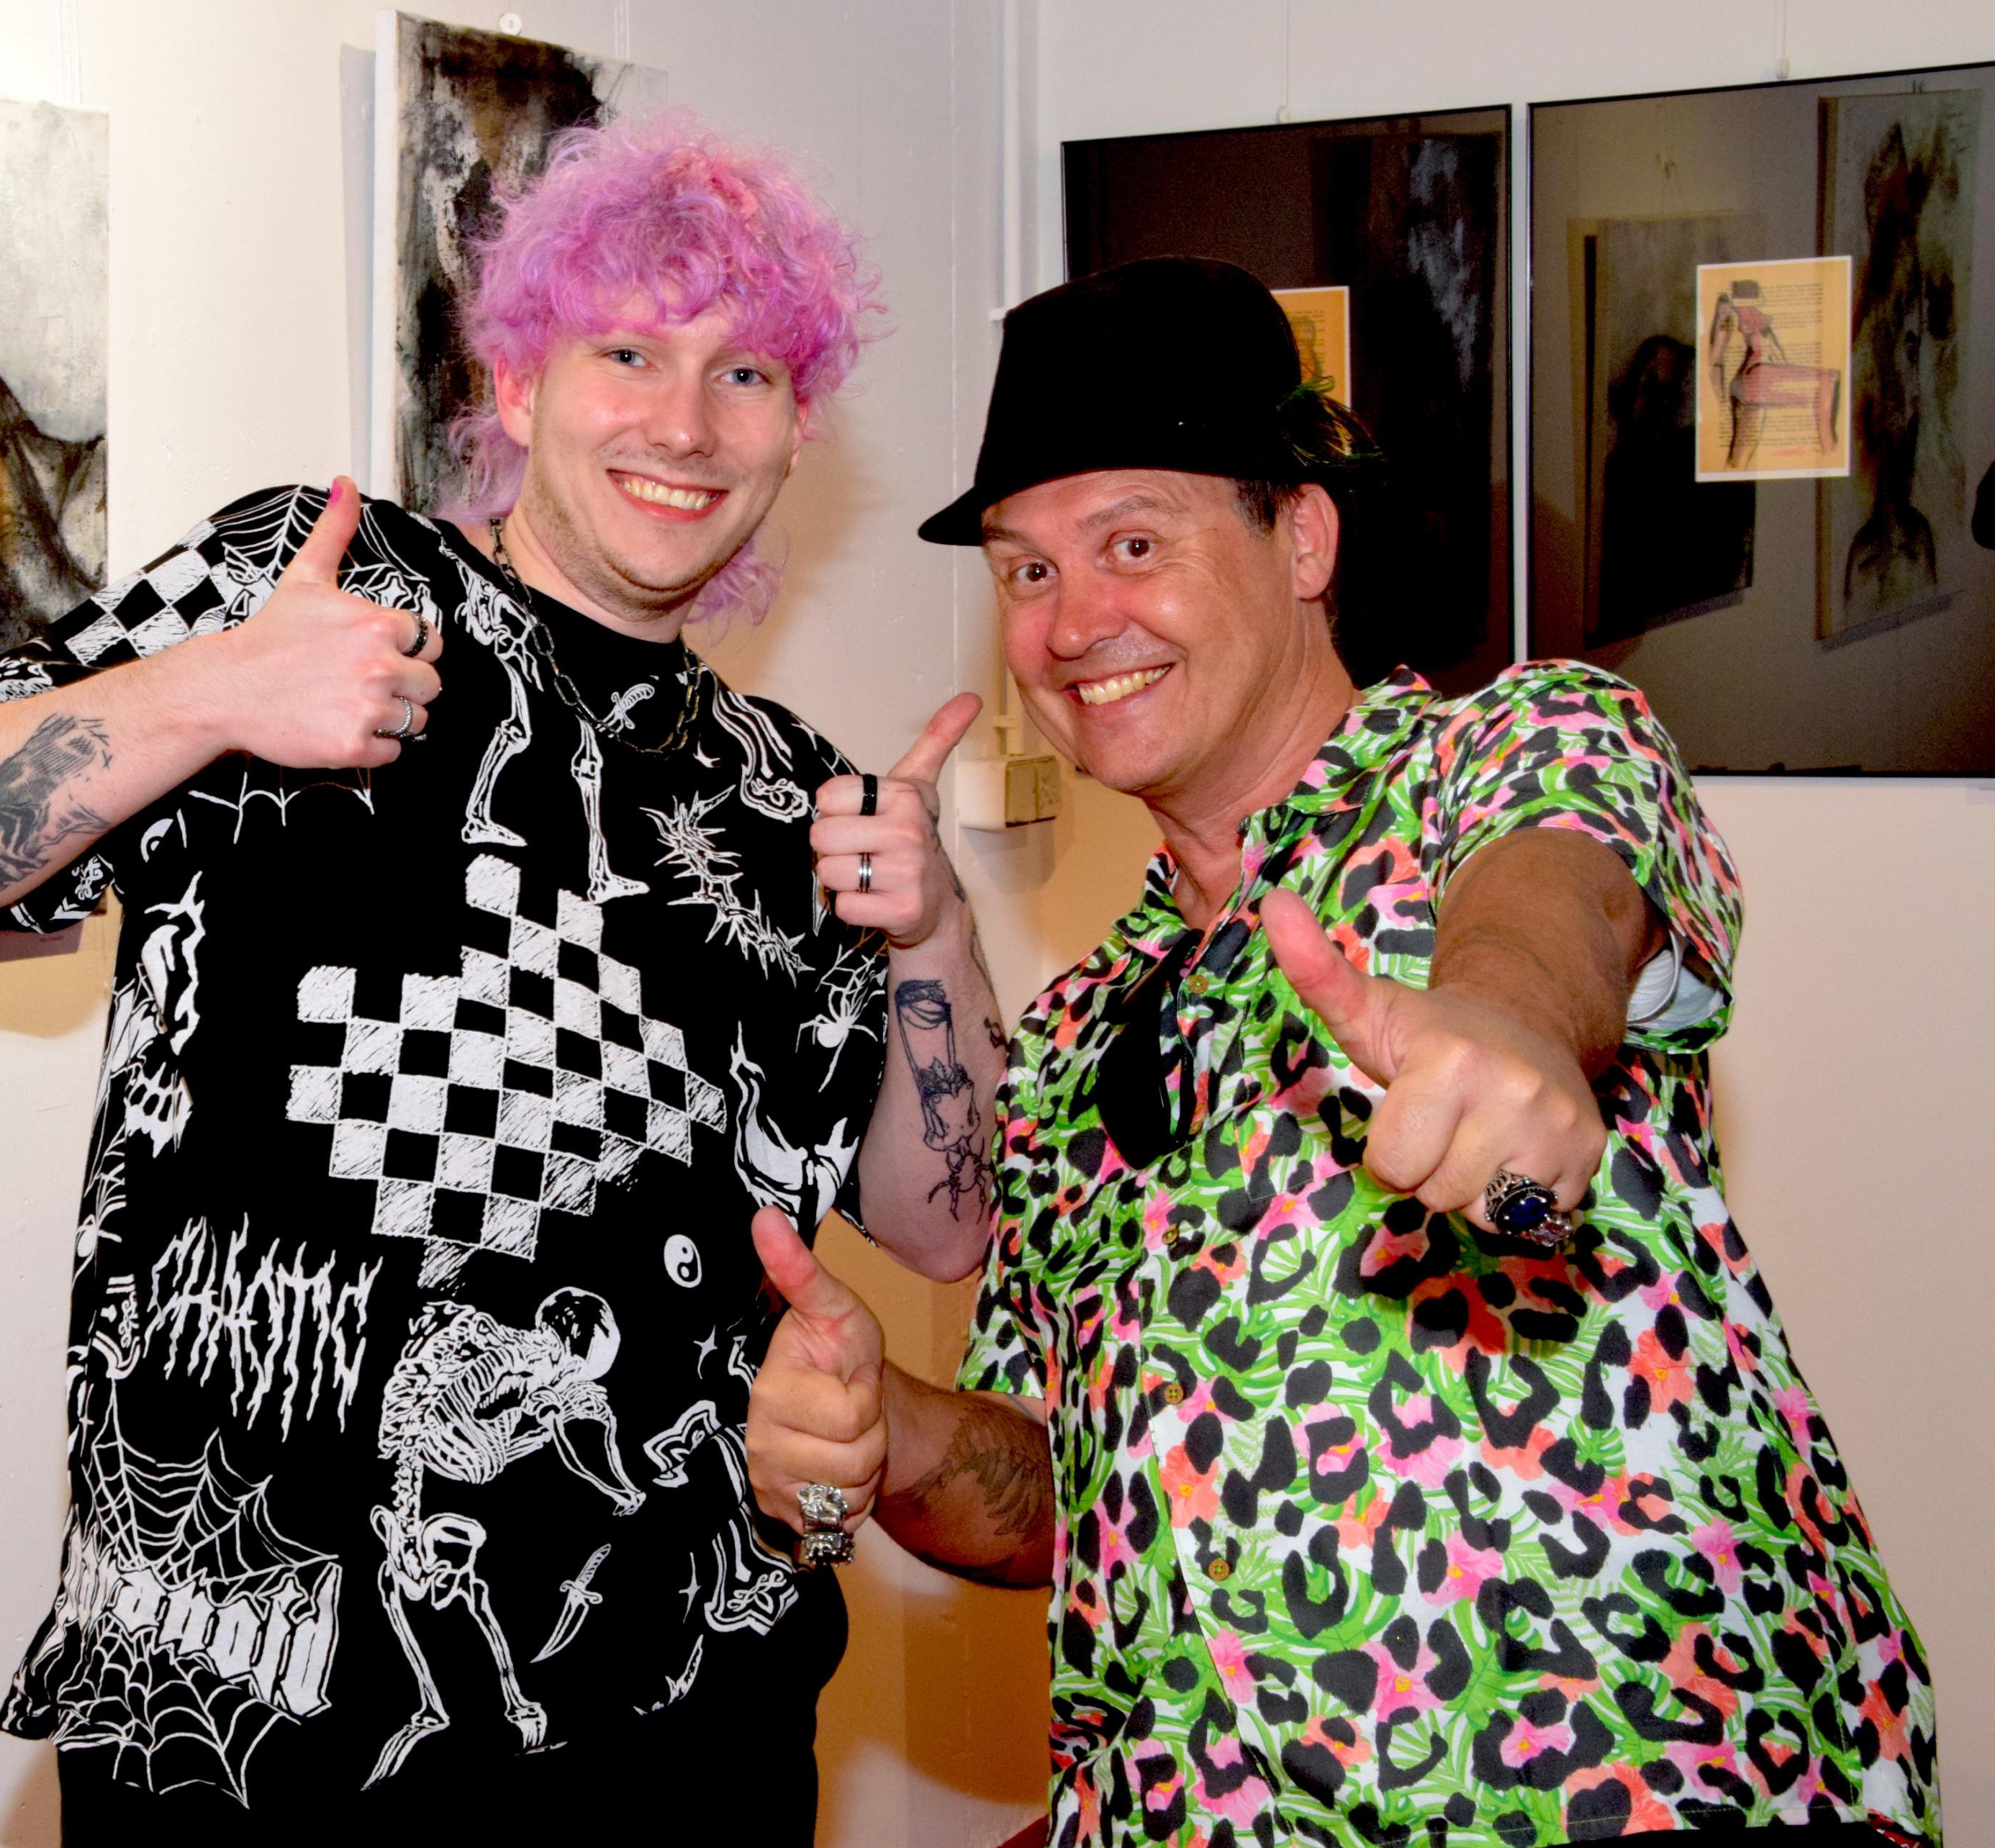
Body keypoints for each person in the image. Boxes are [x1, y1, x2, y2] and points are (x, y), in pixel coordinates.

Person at [0, 114, 1001, 1842]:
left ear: (792, 429)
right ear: (516, 383)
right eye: (627, 353)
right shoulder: (318, 589)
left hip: (687, 1722)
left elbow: (937, 1226)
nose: (685, 423)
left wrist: (937, 935)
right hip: (260, 1721)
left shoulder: (790, 796)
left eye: (743, 373)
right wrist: (219, 694)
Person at [743, 258, 1937, 1846]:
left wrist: (1509, 1013)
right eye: (1026, 570)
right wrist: (887, 1428)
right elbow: (1057, 1494)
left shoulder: (1501, 756)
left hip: (1626, 1789)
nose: (1072, 622)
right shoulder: (1081, 1025)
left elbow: (1560, 888)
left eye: (1133, 544)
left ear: (1301, 538)